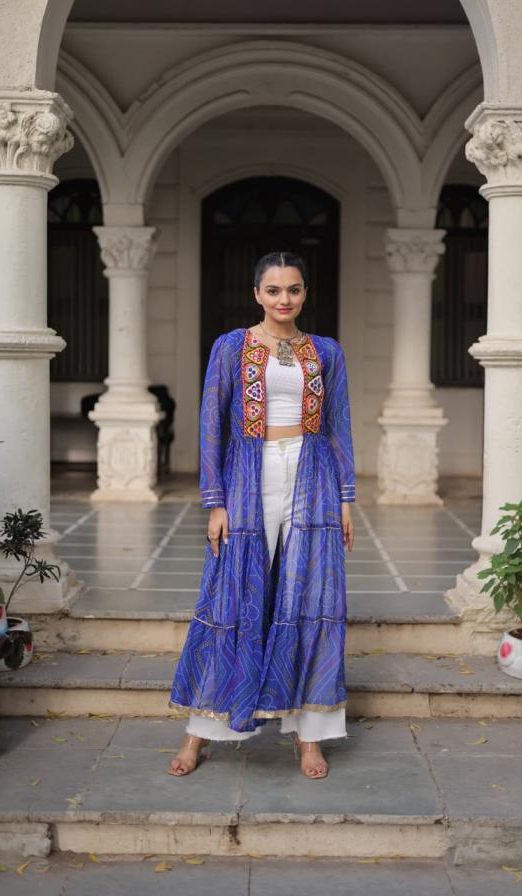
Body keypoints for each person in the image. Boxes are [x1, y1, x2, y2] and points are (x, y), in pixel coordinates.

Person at [168, 251, 355, 780]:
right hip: (250, 475)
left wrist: (345, 497)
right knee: (232, 593)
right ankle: (200, 730)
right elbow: (211, 424)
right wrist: (215, 501)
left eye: (293, 289)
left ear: (305, 293)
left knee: (309, 596)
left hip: (312, 474)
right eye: (273, 290)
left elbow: (339, 424)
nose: (284, 299)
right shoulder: (231, 346)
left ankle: (308, 735)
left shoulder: (326, 351)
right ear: (257, 294)